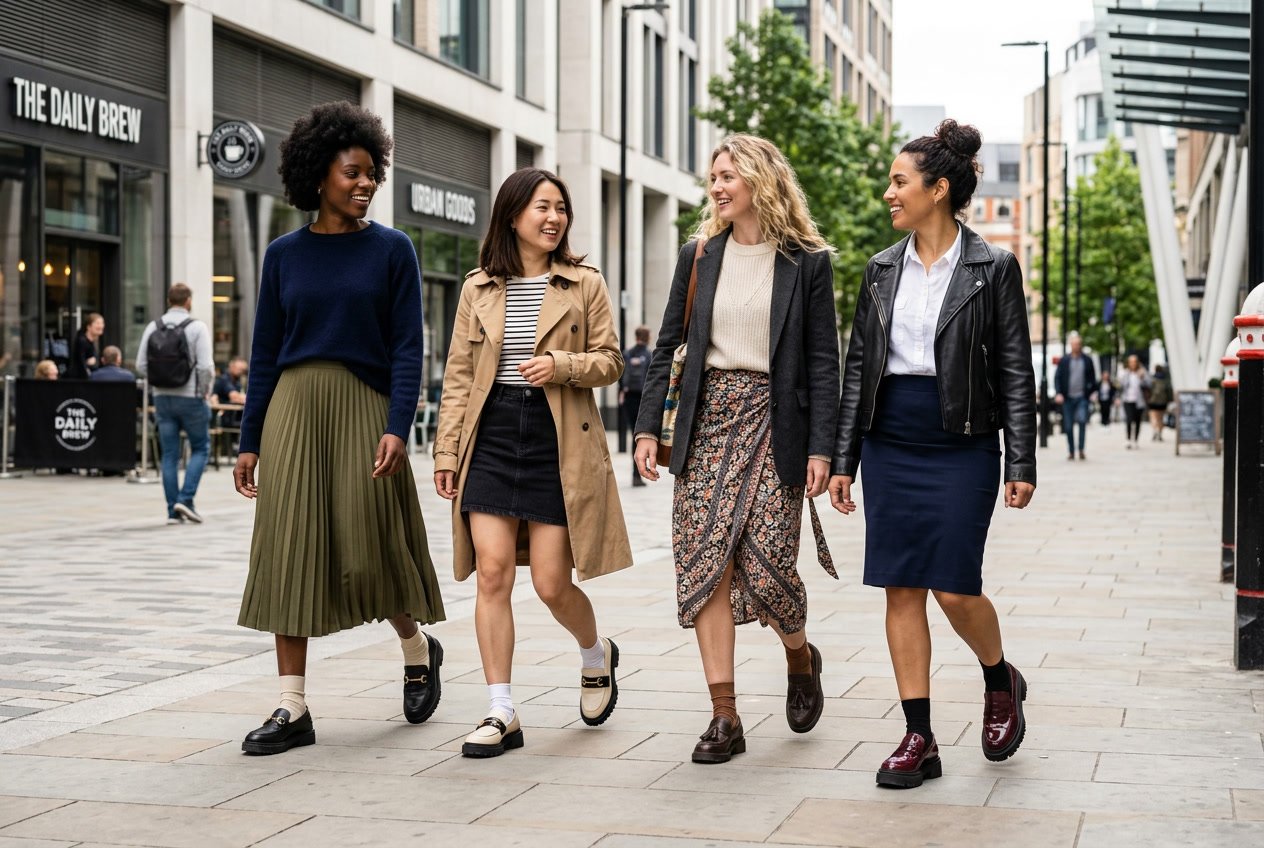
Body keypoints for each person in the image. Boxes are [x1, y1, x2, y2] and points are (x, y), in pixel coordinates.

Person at [827, 120, 1037, 789]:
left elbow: (1015, 369)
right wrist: (843, 458)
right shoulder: (880, 269)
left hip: (962, 440)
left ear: (938, 189)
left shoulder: (992, 267)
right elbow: (858, 366)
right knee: (901, 587)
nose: (889, 192)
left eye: (899, 181)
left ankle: (998, 677)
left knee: (954, 587)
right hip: (891, 438)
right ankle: (919, 736)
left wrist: (1020, 462)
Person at [233, 102, 446, 756]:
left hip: (363, 407)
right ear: (317, 174)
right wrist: (249, 439)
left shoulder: (393, 249)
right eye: (352, 172)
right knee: (286, 548)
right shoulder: (284, 255)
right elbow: (265, 350)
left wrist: (396, 425)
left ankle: (417, 647)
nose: (364, 184)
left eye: (371, 174)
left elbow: (409, 346)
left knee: (369, 547)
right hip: (294, 410)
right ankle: (291, 705)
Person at [634, 134, 840, 765]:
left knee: (770, 565)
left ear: (760, 179)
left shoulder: (807, 261)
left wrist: (823, 449)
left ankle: (800, 657)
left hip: (777, 426)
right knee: (708, 569)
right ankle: (724, 714)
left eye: (728, 176)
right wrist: (646, 429)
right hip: (706, 426)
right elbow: (670, 342)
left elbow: (823, 363)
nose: (717, 187)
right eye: (713, 177)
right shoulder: (699, 256)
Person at [434, 167, 630, 759]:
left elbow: (612, 361)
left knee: (550, 584)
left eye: (561, 208)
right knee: (493, 572)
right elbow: (459, 376)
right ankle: (501, 710)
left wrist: (563, 366)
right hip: (490, 436)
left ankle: (597, 654)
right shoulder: (478, 287)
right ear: (513, 214)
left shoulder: (583, 283)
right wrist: (446, 451)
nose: (553, 218)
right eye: (542, 207)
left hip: (556, 438)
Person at [136, 284, 214, 525]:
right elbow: (205, 367)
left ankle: (172, 510)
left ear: (169, 300)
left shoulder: (153, 326)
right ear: (188, 301)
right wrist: (203, 393)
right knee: (200, 447)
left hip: (162, 398)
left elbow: (141, 365)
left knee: (169, 454)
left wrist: (159, 384)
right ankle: (186, 499)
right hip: (190, 397)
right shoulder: (197, 327)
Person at [1053, 333, 1096, 460]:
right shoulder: (1065, 360)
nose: (1076, 346)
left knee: (1082, 421)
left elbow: (1092, 379)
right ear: (1070, 345)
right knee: (1068, 426)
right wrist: (1058, 393)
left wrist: (1091, 391)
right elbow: (1058, 377)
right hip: (1067, 398)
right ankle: (1071, 451)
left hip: (1082, 397)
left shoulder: (1087, 360)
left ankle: (1081, 449)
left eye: (1078, 344)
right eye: (1074, 344)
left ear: (1080, 345)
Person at [621, 326, 652, 486]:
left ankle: (635, 474)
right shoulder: (648, 355)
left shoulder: (628, 353)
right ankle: (638, 473)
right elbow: (651, 379)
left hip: (628, 398)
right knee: (641, 436)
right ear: (647, 337)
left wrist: (622, 394)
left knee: (632, 436)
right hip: (643, 398)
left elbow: (622, 375)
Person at [1119, 355, 1149, 449]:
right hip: (1127, 400)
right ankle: (1128, 440)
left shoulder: (1142, 372)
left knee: (1137, 421)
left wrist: (1142, 377)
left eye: (1134, 361)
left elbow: (1149, 384)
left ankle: (1135, 440)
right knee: (1129, 419)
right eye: (1131, 362)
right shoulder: (1125, 373)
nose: (1133, 364)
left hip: (1139, 401)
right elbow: (1121, 385)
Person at [213, 356, 248, 428]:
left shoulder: (237, 381)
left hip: (232, 417)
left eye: (243, 369)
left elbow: (242, 396)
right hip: (222, 419)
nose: (241, 371)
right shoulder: (224, 379)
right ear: (231, 366)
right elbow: (235, 397)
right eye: (238, 368)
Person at [67, 313, 104, 379]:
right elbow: (80, 363)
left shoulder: (95, 341)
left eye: (102, 323)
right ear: (88, 327)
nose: (101, 326)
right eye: (98, 323)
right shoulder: (82, 341)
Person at [1148, 363, 1171, 440]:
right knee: (1161, 418)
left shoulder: (1152, 379)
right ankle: (1160, 433)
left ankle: (1155, 430)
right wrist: (1169, 400)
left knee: (1153, 417)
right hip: (1163, 401)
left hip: (1153, 401)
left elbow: (1149, 390)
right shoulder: (1165, 380)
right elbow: (1169, 391)